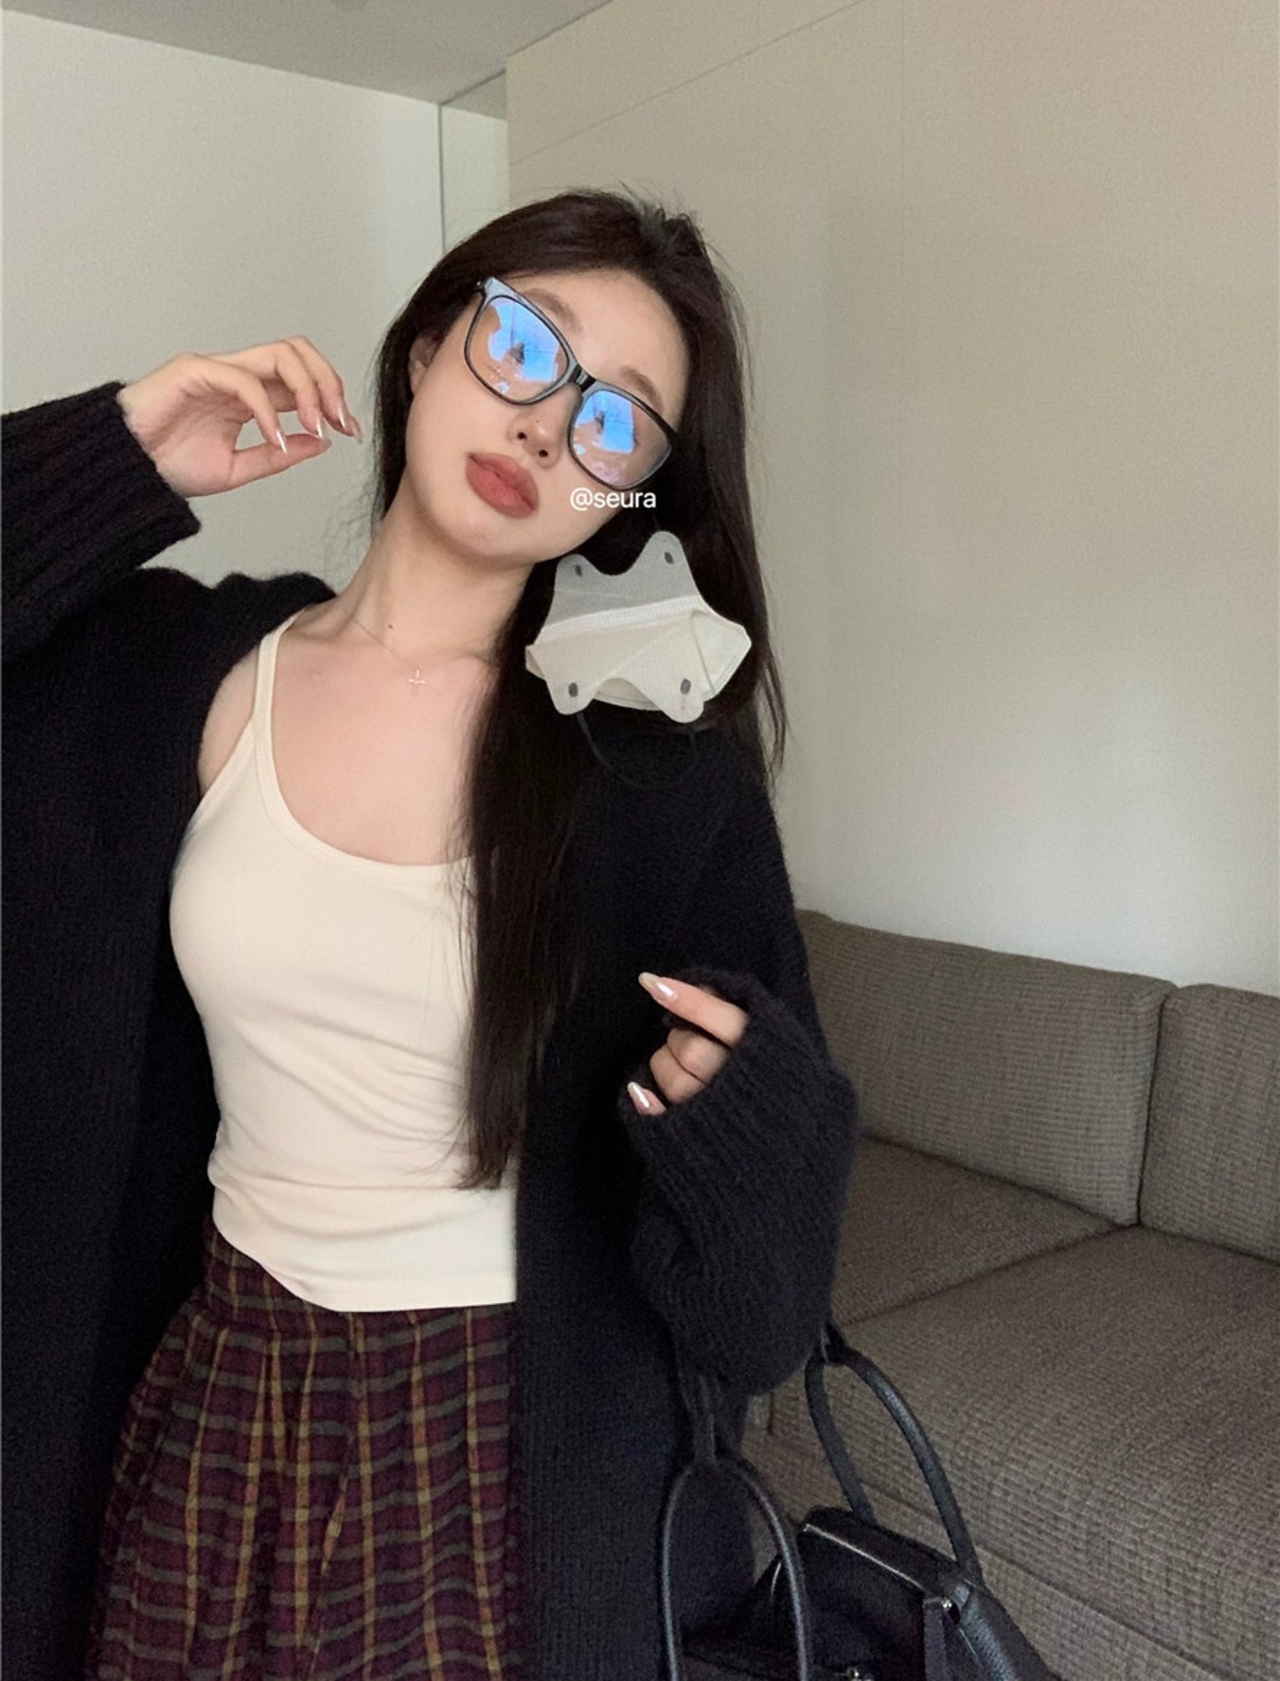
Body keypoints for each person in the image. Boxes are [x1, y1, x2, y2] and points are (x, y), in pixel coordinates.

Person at [2, 187, 862, 1680]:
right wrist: (121, 453)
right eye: (524, 344)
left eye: (616, 420)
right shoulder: (185, 672)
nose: (547, 423)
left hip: (510, 1450)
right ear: (424, 347)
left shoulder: (658, 779)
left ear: (628, 495)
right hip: (221, 1386)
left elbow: (763, 1321)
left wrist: (740, 1122)